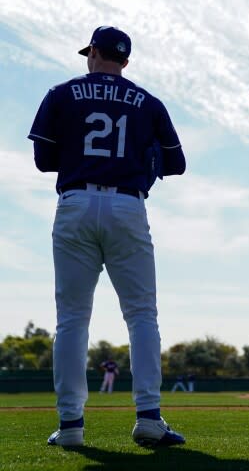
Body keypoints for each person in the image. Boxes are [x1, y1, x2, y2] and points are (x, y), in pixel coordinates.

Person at [29, 26, 187, 448]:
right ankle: (149, 418)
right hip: (127, 206)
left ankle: (70, 426)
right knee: (141, 315)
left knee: (72, 319)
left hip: (76, 202)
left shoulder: (62, 93)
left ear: (93, 52)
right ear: (126, 61)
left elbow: (44, 160)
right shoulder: (148, 101)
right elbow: (176, 164)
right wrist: (142, 160)